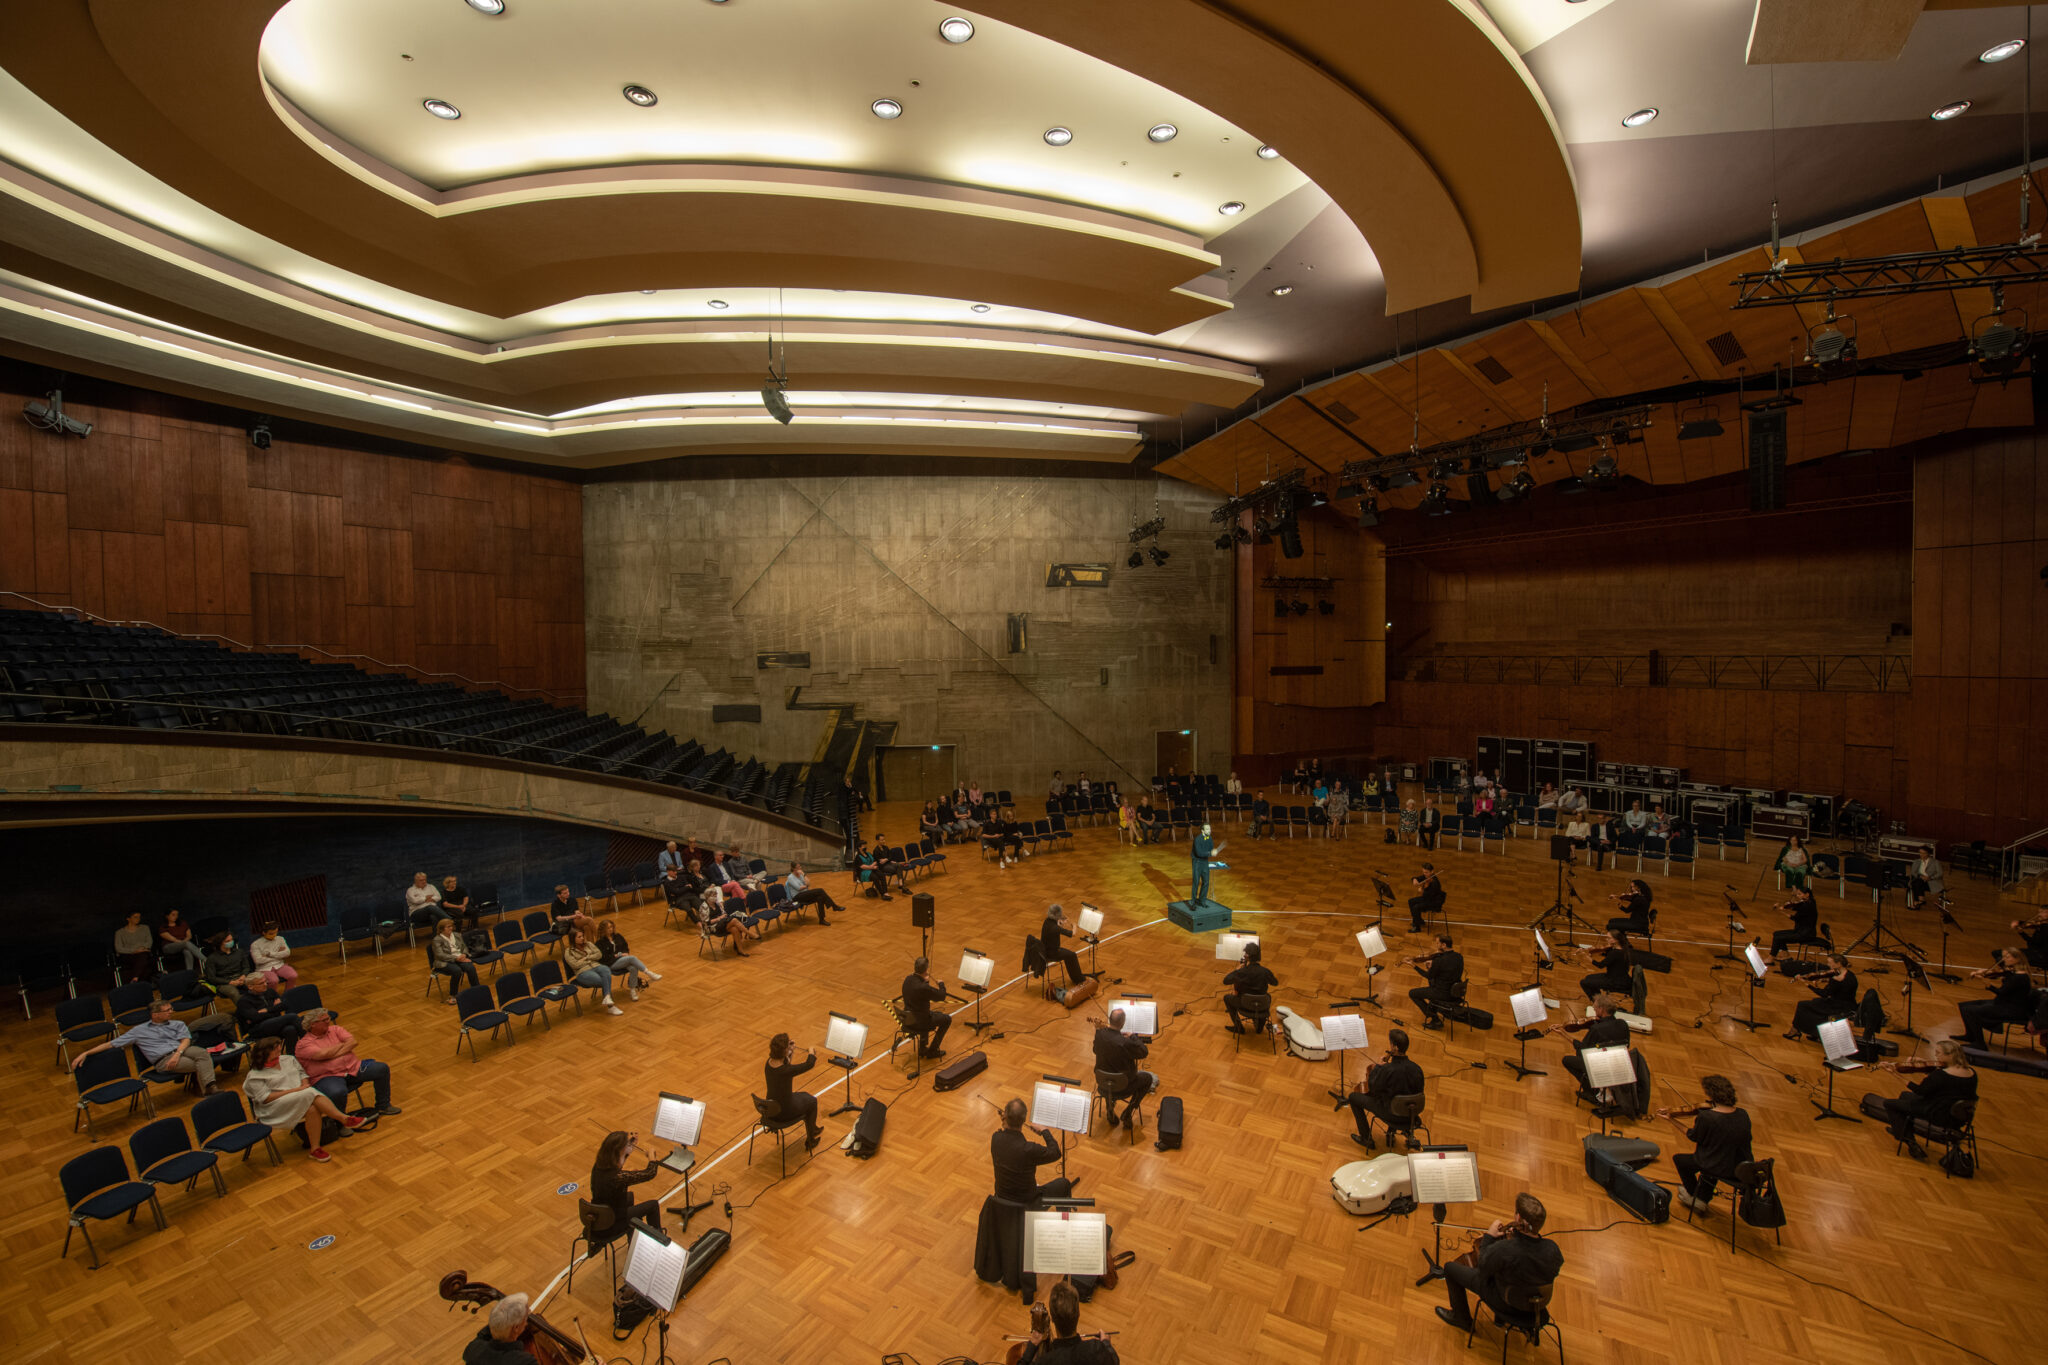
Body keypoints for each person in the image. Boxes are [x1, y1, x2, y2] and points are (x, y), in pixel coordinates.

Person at [1435, 1193, 1564, 1335]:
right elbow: (1537, 1266)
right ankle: (1499, 1321)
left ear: (1519, 1218)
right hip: (1536, 1305)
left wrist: (1489, 1236)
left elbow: (1483, 1267)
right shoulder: (1553, 1250)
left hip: (1507, 1303)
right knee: (1509, 1275)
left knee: (1450, 1268)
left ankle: (1461, 1319)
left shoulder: (1506, 1250)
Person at [242, 1034, 368, 1163]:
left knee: (312, 1108)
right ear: (264, 1053)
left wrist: (304, 1083)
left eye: (279, 1048)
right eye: (276, 1049)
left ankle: (315, 1149)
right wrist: (297, 1090)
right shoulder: (254, 1076)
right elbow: (265, 1098)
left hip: (301, 1096)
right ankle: (343, 1118)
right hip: (273, 1108)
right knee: (309, 1093)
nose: (279, 1050)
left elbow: (302, 1073)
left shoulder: (288, 1059)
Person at [70, 998, 221, 1094]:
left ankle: (209, 1088)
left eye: (171, 1009)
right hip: (164, 1059)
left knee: (202, 1054)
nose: (171, 1012)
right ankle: (207, 1090)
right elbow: (111, 1044)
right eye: (167, 1010)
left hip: (181, 1050)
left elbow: (186, 1040)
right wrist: (86, 1053)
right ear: (155, 1015)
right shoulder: (139, 1031)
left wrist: (177, 1053)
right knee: (199, 1063)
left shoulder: (177, 1023)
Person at [1659, 1075, 1751, 1214]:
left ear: (1711, 1094)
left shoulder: (1708, 1117)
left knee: (1681, 1160)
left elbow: (1692, 1136)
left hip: (1718, 1167)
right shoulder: (1743, 1114)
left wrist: (1671, 1119)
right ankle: (1702, 1197)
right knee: (1712, 1162)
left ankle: (1695, 1196)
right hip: (1740, 1167)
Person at [1876, 1040, 1978, 1158]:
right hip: (1959, 1116)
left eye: (1938, 1053)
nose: (1936, 1056)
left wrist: (1895, 1074)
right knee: (1904, 1095)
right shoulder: (1971, 1073)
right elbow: (1945, 1087)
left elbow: (1920, 1090)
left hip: (1938, 1113)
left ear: (1950, 1055)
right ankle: (1900, 1128)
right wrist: (1926, 1064)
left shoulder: (1941, 1075)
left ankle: (1911, 1142)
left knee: (1889, 1104)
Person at [296, 1009, 401, 1116]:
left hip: (352, 1068)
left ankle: (383, 1106)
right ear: (313, 1024)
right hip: (328, 1076)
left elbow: (353, 1042)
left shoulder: (336, 1029)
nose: (329, 1021)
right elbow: (322, 1055)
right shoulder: (303, 1044)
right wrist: (342, 1046)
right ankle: (341, 1121)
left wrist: (331, 1053)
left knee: (381, 1069)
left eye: (328, 1018)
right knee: (337, 1092)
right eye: (325, 1020)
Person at [1342, 1027, 1423, 1149]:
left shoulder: (1387, 1070)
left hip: (1392, 1114)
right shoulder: (1417, 1069)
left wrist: (1379, 1067)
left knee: (1353, 1097)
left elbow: (1373, 1089)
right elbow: (1419, 1091)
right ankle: (1401, 1131)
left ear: (1395, 1048)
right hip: (1411, 1116)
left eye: (1390, 1043)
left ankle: (1366, 1139)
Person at [589, 1130, 664, 1245]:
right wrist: (652, 1158)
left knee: (629, 1197)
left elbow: (619, 1161)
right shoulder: (617, 1177)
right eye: (627, 1146)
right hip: (610, 1225)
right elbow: (650, 1173)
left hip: (598, 1218)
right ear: (619, 1151)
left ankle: (632, 1238)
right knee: (653, 1205)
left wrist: (631, 1144)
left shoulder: (599, 1165)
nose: (629, 1147)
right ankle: (659, 1242)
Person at [1016, 1280, 1119, 1364]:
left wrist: (1032, 1345)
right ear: (1078, 1315)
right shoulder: (1095, 1349)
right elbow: (1115, 1361)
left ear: (1052, 1319)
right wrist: (1106, 1343)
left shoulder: (1045, 1361)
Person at [991, 1097, 1071, 1205]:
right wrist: (1044, 1130)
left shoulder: (995, 1138)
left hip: (1001, 1200)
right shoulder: (1029, 1149)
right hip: (1026, 1204)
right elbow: (1055, 1152)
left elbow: (1009, 1141)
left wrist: (1005, 1119)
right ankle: (1063, 1219)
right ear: (1023, 1121)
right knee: (1064, 1183)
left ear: (1004, 1117)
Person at [1553, 994, 1631, 1100]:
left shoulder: (1596, 1029)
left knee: (1567, 1060)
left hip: (1601, 1066)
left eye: (1595, 1008)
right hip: (1619, 1064)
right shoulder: (1623, 1024)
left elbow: (1583, 1049)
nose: (1594, 1010)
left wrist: (1564, 1034)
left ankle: (1591, 1091)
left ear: (1601, 1009)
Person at [1958, 947, 2035, 1049]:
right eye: (2003, 956)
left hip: (2012, 1009)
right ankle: (1970, 1035)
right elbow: (2001, 974)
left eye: (2007, 957)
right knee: (1964, 1006)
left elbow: (2001, 992)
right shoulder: (2013, 972)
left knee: (1970, 1010)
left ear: (2017, 959)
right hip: (2003, 1003)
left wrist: (1988, 984)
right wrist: (1984, 971)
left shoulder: (2019, 977)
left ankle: (1979, 1043)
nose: (2003, 959)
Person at [1093, 1008, 1154, 1128]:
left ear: (1109, 1020)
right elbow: (1143, 1052)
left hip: (1103, 1084)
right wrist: (1133, 1037)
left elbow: (1095, 1050)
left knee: (1109, 1073)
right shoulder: (1126, 1043)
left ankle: (1109, 1107)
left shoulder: (1100, 1034)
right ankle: (1128, 1112)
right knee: (1147, 1078)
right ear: (1123, 1023)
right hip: (1124, 1087)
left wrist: (1098, 1031)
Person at [765, 1033, 823, 1150]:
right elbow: (809, 1064)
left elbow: (786, 1064)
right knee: (812, 1101)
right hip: (784, 1111)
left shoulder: (769, 1063)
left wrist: (791, 1051)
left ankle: (813, 1128)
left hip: (771, 1108)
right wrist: (811, 1052)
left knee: (805, 1095)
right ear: (784, 1051)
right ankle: (811, 1140)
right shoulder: (785, 1071)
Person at [1785, 953, 1857, 1041]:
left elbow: (1824, 993)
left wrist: (1806, 984)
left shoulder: (1837, 978)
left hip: (1837, 1006)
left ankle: (1795, 1031)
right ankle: (1816, 1033)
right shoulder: (1850, 975)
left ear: (1838, 964)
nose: (1828, 965)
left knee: (1803, 1005)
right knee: (1814, 1003)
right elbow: (1839, 989)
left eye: (1830, 963)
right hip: (1849, 1005)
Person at [564, 926, 626, 1015]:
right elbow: (575, 965)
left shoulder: (589, 944)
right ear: (573, 939)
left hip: (596, 966)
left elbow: (599, 954)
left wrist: (586, 958)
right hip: (583, 972)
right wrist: (589, 960)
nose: (582, 938)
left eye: (582, 936)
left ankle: (608, 1001)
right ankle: (610, 1003)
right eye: (579, 937)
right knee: (604, 980)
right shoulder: (568, 952)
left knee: (606, 969)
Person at [1407, 933, 1464, 1029]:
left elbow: (1428, 976)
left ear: (1444, 945)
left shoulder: (1439, 960)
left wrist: (1413, 965)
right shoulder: (1459, 957)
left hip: (1443, 993)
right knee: (1432, 983)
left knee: (1412, 993)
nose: (1436, 946)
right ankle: (1434, 1006)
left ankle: (1435, 1019)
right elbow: (1448, 970)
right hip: (1456, 991)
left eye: (1437, 943)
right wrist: (1434, 967)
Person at [595, 919, 662, 999]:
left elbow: (625, 947)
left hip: (622, 960)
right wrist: (619, 955)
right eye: (608, 928)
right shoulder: (600, 943)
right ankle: (649, 973)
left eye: (611, 927)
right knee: (632, 958)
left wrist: (624, 953)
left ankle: (632, 990)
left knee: (633, 968)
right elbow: (603, 958)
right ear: (603, 930)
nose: (610, 929)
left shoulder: (618, 936)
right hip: (610, 964)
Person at [463, 1292, 537, 1364]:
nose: (527, 1322)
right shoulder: (525, 1361)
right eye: (526, 1318)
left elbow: (482, 1335)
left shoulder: (473, 1350)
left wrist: (500, 1317)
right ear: (516, 1328)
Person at [900, 956, 952, 1059]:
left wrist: (925, 982)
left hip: (908, 1019)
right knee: (947, 1019)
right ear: (926, 970)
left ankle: (923, 1048)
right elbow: (941, 996)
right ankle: (932, 1051)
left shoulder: (908, 979)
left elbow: (919, 995)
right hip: (920, 1022)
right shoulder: (923, 987)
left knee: (930, 1013)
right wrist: (941, 984)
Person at [235, 975, 304, 1051]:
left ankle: (292, 1057)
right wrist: (275, 1009)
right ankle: (307, 1044)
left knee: (290, 1029)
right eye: (261, 983)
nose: (265, 984)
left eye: (265, 982)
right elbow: (255, 1018)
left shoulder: (270, 991)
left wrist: (268, 1010)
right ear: (250, 987)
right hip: (258, 1029)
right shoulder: (243, 1001)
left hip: (275, 1023)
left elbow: (285, 1005)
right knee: (292, 1016)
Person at [1222, 941, 1277, 1034]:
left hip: (1244, 1005)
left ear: (1247, 956)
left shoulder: (1242, 972)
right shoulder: (1265, 971)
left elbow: (1226, 981)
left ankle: (1239, 1028)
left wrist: (1236, 970)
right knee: (1266, 997)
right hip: (1261, 1006)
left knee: (1227, 998)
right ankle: (1259, 1028)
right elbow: (1275, 983)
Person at [1766, 886, 1827, 959]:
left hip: (1805, 934)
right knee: (1776, 934)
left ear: (1807, 894)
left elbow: (1795, 917)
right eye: (1797, 894)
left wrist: (1781, 911)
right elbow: (1796, 906)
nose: (1797, 896)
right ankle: (1786, 955)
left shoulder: (1808, 906)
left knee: (1779, 938)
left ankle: (1770, 958)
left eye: (1799, 894)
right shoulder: (1810, 902)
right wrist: (1784, 907)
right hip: (1800, 931)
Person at [1577, 928, 1634, 1002]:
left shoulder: (1615, 953)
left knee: (1584, 982)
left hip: (1615, 981)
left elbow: (1600, 965)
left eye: (1609, 938)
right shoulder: (1622, 948)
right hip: (1619, 977)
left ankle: (1598, 1003)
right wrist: (1586, 950)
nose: (1607, 939)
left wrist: (1588, 958)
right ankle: (1599, 999)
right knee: (1588, 977)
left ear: (1615, 940)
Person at [430, 917, 482, 995]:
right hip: (445, 961)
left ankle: (477, 990)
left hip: (460, 958)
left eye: (451, 926)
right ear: (441, 929)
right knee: (457, 971)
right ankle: (453, 995)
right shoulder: (437, 940)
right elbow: (440, 955)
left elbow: (464, 947)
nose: (451, 928)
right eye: (448, 927)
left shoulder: (456, 935)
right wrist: (456, 958)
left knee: (470, 967)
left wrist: (464, 954)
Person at [202, 931, 254, 1005]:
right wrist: (229, 982)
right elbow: (211, 978)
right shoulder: (212, 958)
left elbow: (246, 967)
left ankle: (261, 1006)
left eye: (231, 940)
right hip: (224, 982)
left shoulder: (239, 952)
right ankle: (246, 1011)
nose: (231, 942)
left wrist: (243, 975)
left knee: (256, 984)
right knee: (233, 993)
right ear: (220, 943)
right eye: (227, 941)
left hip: (241, 977)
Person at [1041, 904, 1085, 986]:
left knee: (1069, 955)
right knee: (1072, 955)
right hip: (1052, 953)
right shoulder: (1055, 928)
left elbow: (1056, 928)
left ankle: (1075, 977)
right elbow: (1072, 934)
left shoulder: (1047, 921)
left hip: (1045, 950)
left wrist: (1060, 922)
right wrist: (1074, 925)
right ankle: (1079, 979)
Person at [248, 921, 299, 989]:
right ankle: (272, 998)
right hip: (264, 968)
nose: (274, 935)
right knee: (274, 980)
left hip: (280, 965)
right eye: (271, 933)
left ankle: (288, 995)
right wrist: (278, 955)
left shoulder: (280, 939)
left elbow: (287, 953)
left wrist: (269, 954)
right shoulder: (255, 944)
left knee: (293, 975)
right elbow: (258, 960)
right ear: (264, 933)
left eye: (276, 932)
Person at [114, 911, 156, 982]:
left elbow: (149, 941)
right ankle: (140, 981)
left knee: (143, 957)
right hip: (128, 955)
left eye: (139, 917)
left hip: (143, 952)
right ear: (128, 919)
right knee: (143, 961)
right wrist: (134, 950)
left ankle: (135, 978)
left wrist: (142, 948)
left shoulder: (145, 928)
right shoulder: (120, 933)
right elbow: (118, 948)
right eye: (135, 917)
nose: (138, 919)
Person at [1408, 863, 1445, 933]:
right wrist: (1414, 879)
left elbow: (1430, 896)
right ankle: (1419, 920)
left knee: (1416, 907)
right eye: (1424, 872)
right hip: (1427, 898)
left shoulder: (1435, 883)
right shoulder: (1426, 877)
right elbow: (1416, 878)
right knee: (1410, 901)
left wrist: (1422, 890)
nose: (1425, 874)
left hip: (1433, 902)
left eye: (1426, 872)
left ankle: (1417, 927)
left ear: (1432, 871)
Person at [1907, 847, 1945, 912]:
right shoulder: (1916, 861)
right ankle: (1919, 900)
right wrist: (1921, 876)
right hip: (1920, 880)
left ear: (1928, 854)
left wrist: (1930, 878)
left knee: (1916, 883)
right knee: (1917, 882)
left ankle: (1919, 901)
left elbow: (1940, 873)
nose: (1921, 855)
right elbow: (1913, 872)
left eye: (1924, 853)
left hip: (1931, 882)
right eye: (1920, 853)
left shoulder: (1935, 862)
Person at [1190, 822, 1220, 903]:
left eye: (1209, 829)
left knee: (1206, 882)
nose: (1209, 830)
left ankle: (1202, 901)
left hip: (1205, 861)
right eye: (1207, 829)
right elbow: (1199, 853)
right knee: (1196, 882)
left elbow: (1211, 848)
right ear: (1202, 831)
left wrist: (1213, 851)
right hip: (1197, 862)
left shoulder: (1210, 838)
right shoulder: (1197, 839)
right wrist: (1210, 853)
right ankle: (1193, 902)